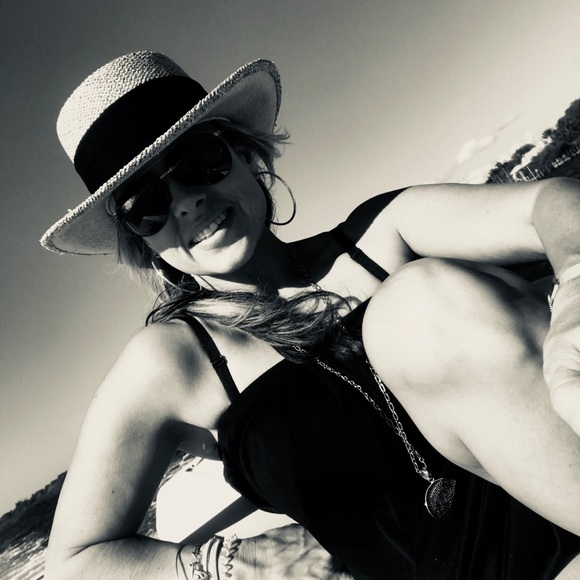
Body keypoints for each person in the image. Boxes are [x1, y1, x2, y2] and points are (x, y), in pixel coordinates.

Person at [41, 51, 580, 580]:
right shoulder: (173, 360)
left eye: (199, 161)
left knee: (416, 298)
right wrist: (231, 561)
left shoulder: (380, 236)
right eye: (146, 205)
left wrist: (574, 291)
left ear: (245, 153)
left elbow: (550, 204)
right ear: (140, 241)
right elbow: (74, 561)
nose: (186, 202)